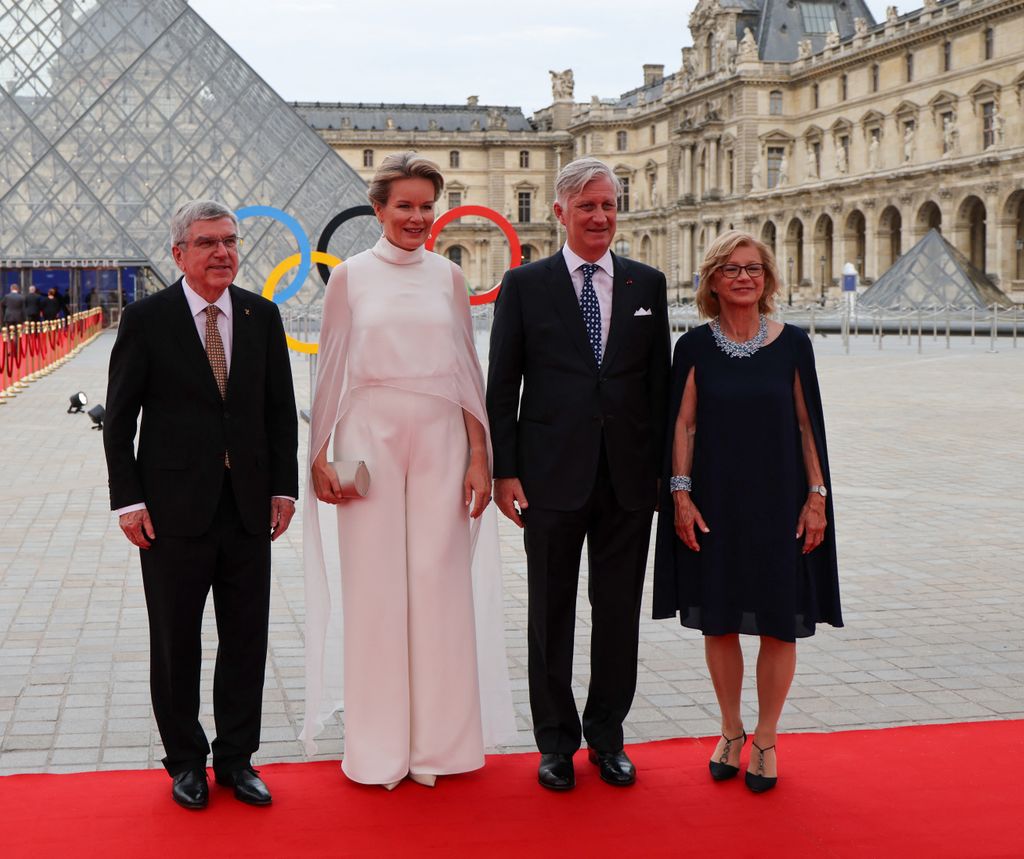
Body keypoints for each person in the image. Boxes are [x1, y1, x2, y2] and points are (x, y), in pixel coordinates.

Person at [302, 152, 514, 790]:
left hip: (442, 438)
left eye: (426, 206)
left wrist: (481, 454)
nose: (418, 217)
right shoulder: (349, 278)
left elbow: (465, 370)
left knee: (439, 588)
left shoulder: (449, 277)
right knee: (375, 594)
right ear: (379, 209)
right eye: (405, 206)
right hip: (369, 436)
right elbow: (330, 369)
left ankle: (439, 748)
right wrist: (319, 459)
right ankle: (379, 749)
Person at [102, 200, 298, 810]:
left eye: (230, 241)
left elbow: (277, 411)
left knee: (246, 639)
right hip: (171, 511)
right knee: (176, 641)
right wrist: (128, 501)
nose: (222, 253)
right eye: (208, 242)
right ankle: (185, 760)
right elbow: (119, 421)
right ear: (178, 253)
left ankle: (237, 759)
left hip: (246, 510)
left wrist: (282, 488)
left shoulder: (260, 315)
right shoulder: (147, 319)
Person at [487, 157, 670, 791]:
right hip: (549, 477)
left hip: (628, 479)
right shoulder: (525, 285)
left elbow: (659, 389)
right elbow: (501, 385)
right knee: (551, 613)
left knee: (617, 612)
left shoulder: (648, 284)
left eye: (610, 205)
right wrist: (503, 472)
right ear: (560, 212)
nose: (600, 216)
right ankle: (555, 742)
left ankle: (608, 737)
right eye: (587, 206)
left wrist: (664, 476)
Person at [652, 230, 842, 793]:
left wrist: (817, 497)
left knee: (779, 622)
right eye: (731, 269)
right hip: (715, 502)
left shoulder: (793, 343)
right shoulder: (692, 347)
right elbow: (683, 425)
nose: (743, 277)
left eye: (753, 268)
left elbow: (809, 426)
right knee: (721, 619)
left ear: (767, 278)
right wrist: (680, 496)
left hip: (782, 499)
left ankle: (766, 736)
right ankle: (730, 730)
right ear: (712, 279)